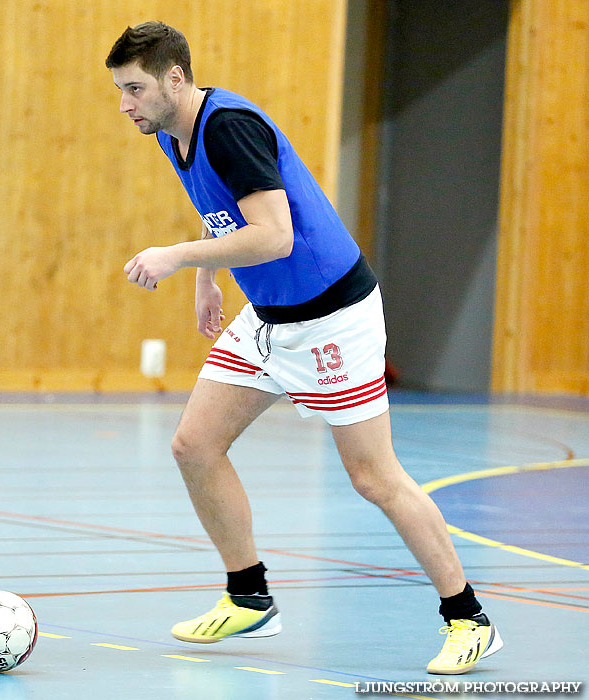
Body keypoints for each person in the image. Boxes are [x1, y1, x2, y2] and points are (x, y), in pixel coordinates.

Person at [105, 21, 503, 675]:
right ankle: (249, 597)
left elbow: (275, 236)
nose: (125, 104)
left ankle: (467, 618)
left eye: (133, 88)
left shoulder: (229, 126)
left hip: (330, 319)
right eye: (121, 90)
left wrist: (177, 257)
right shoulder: (172, 129)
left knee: (374, 477)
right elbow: (223, 209)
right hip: (268, 318)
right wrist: (208, 276)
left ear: (174, 79)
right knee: (193, 444)